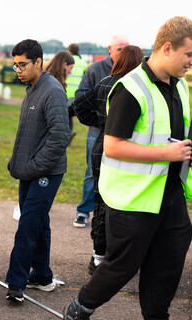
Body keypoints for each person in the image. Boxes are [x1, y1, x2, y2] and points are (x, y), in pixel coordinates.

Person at [62, 17, 192, 320]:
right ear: (167, 47)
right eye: (189, 54)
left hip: (169, 196)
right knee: (122, 266)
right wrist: (167, 154)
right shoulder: (131, 88)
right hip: (132, 198)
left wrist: (186, 151)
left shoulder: (180, 85)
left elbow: (168, 136)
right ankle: (78, 310)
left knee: (167, 267)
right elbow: (112, 146)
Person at [5, 39, 69, 303]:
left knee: (28, 225)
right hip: (30, 170)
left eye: (23, 64)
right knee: (39, 223)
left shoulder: (52, 90)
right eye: (15, 64)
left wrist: (35, 167)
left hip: (45, 172)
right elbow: (31, 132)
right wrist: (18, 163)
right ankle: (42, 276)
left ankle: (16, 283)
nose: (18, 70)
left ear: (38, 62)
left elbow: (60, 136)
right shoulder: (32, 87)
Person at [73, 45, 144, 274]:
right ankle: (121, 253)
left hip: (101, 145)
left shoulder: (105, 82)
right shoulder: (138, 86)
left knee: (100, 200)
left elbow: (79, 106)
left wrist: (99, 122)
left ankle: (98, 255)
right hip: (128, 147)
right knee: (125, 201)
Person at [73, 35, 129, 228]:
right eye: (120, 48)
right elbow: (80, 97)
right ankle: (83, 211)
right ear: (110, 49)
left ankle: (109, 213)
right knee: (92, 171)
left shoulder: (132, 72)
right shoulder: (95, 69)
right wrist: (96, 120)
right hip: (97, 131)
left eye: (126, 48)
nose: (123, 52)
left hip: (122, 133)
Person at [65, 43, 87, 142]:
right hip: (78, 93)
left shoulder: (67, 60)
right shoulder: (83, 63)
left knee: (65, 114)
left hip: (67, 92)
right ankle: (69, 132)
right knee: (68, 114)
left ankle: (68, 133)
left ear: (69, 51)